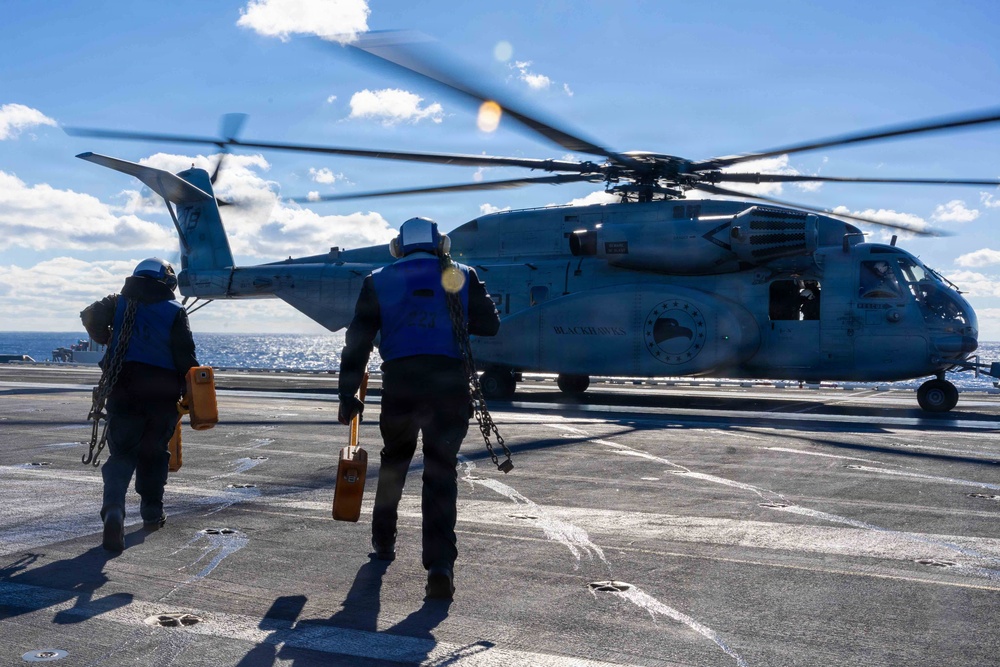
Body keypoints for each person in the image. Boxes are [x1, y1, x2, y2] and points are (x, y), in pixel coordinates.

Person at [337, 217, 500, 600]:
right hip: (449, 385)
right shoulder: (461, 274)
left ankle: (383, 540)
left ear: (398, 247)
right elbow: (489, 325)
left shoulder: (378, 278)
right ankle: (440, 566)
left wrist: (348, 394)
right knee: (440, 473)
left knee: (394, 462)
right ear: (441, 244)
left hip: (401, 384)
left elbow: (357, 341)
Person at [81, 258, 198, 552]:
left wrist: (107, 338)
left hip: (124, 387)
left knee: (121, 453)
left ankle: (113, 511)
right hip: (161, 393)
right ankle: (151, 511)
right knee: (154, 452)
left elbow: (90, 315)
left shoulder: (117, 303)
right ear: (167, 282)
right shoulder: (174, 311)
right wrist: (192, 392)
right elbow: (185, 356)